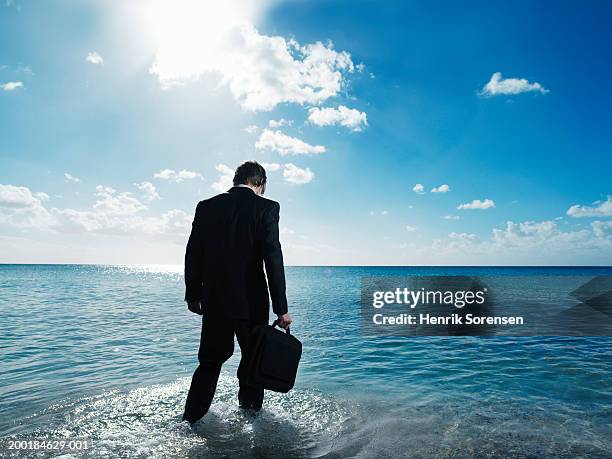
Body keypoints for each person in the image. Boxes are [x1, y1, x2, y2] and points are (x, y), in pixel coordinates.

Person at [182, 161, 292, 423]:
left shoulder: (207, 206)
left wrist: (193, 294)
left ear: (236, 180)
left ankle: (190, 421)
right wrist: (281, 309)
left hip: (214, 300)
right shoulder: (266, 208)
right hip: (250, 302)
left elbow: (192, 253)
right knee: (253, 362)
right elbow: (272, 258)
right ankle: (250, 420)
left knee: (210, 362)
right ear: (261, 183)